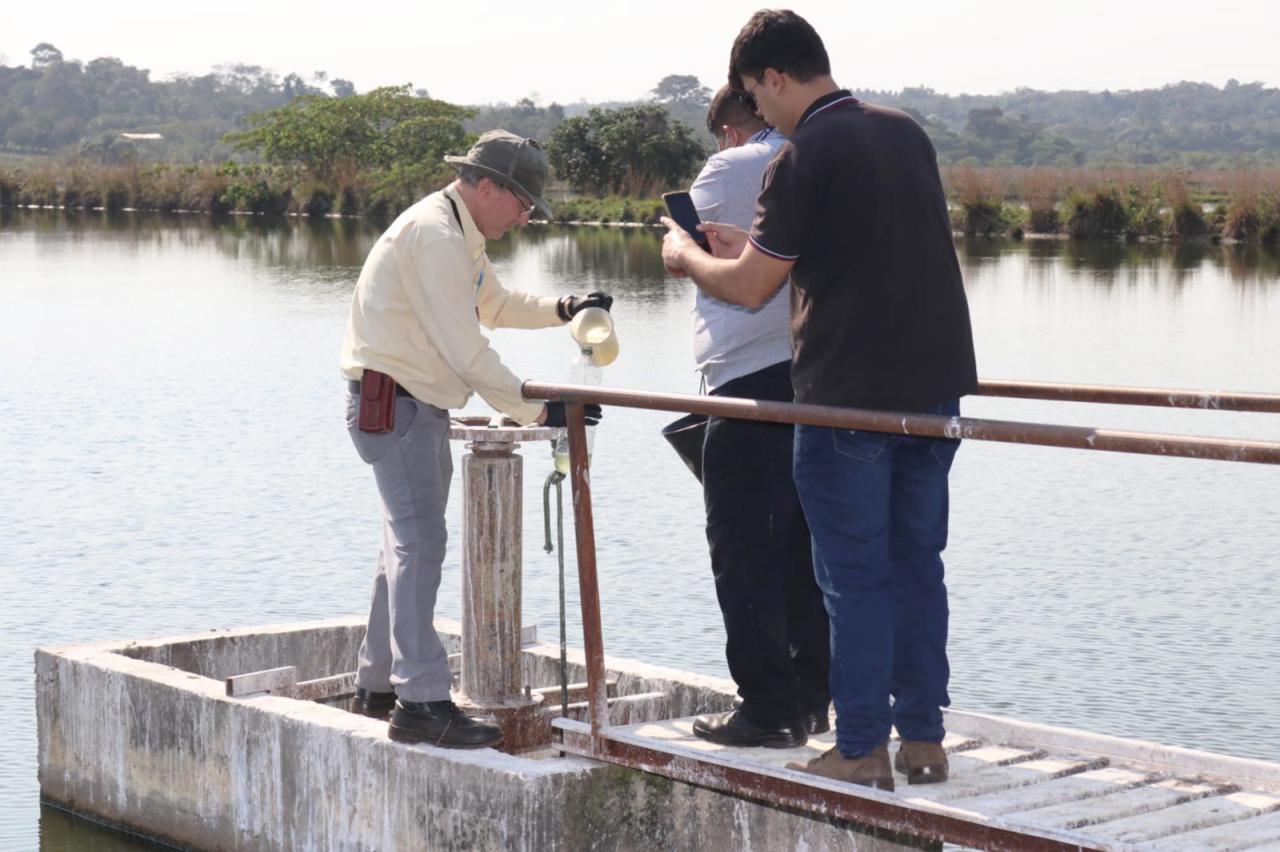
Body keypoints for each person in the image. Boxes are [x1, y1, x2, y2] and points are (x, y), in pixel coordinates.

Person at [661, 11, 977, 790]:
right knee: (915, 566)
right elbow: (846, 255)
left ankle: (862, 744)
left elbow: (750, 287)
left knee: (851, 574)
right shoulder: (903, 131)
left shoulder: (802, 154)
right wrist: (752, 251)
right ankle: (925, 740)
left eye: (753, 96)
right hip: (932, 392)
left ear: (772, 77)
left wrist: (689, 255)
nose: (756, 115)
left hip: (845, 400)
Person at [340, 130, 610, 749]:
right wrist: (537, 412)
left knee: (402, 548)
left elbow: (493, 303)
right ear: (486, 186)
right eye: (520, 203)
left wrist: (563, 306)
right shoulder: (436, 235)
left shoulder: (456, 230)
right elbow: (467, 349)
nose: (523, 217)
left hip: (411, 407)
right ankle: (421, 703)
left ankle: (377, 685)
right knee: (418, 546)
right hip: (398, 407)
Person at [683, 85, 830, 749]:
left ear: (730, 128)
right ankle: (812, 697)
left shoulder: (735, 167)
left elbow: (704, 255)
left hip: (746, 383)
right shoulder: (816, 157)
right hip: (817, 380)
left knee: (742, 550)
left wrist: (678, 245)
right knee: (803, 550)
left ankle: (767, 710)